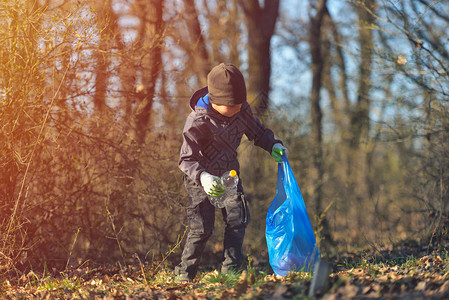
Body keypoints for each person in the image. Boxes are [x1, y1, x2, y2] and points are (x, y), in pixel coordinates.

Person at [175, 63, 287, 282]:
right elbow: (186, 159)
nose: (237, 108)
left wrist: (273, 145)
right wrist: (204, 177)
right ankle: (185, 274)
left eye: (240, 103)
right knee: (201, 228)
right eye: (231, 106)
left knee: (238, 219)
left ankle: (231, 268)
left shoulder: (241, 110)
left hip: (229, 176)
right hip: (200, 180)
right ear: (216, 101)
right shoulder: (197, 120)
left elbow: (257, 132)